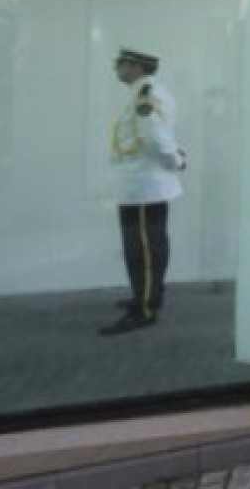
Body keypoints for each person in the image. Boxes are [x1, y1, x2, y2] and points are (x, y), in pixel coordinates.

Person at [99, 48, 186, 336]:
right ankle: (146, 294)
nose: (116, 68)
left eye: (120, 63)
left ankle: (145, 308)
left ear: (136, 66)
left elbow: (156, 137)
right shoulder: (142, 92)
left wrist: (177, 162)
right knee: (143, 247)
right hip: (139, 185)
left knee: (144, 249)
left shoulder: (147, 94)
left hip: (144, 187)